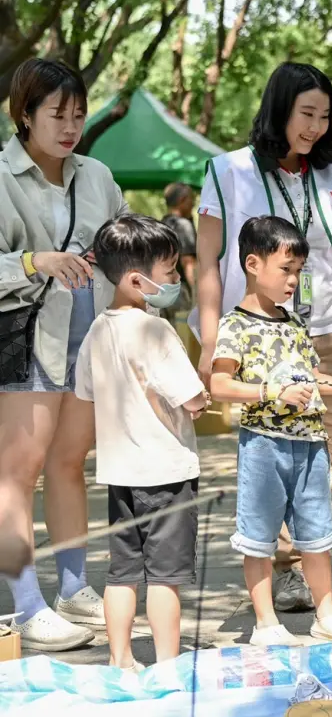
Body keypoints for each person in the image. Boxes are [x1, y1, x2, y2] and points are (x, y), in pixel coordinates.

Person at [193, 62, 332, 612]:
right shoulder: (228, 171)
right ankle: (287, 569)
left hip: (330, 322)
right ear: (278, 111)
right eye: (305, 114)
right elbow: (205, 257)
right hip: (265, 336)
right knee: (279, 449)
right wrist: (208, 338)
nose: (315, 127)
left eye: (324, 116)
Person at [210, 216, 332, 645]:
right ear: (253, 264)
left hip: (311, 445)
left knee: (317, 534)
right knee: (259, 537)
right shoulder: (234, 325)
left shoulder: (294, 324)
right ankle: (266, 623)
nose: (294, 280)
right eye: (285, 270)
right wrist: (270, 392)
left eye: (298, 271)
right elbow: (219, 385)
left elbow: (312, 380)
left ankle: (325, 614)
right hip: (263, 446)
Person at [0, 58, 129, 651]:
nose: (71, 124)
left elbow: (124, 243)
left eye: (78, 113)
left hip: (89, 339)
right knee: (16, 475)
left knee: (70, 463)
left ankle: (74, 589)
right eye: (57, 114)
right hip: (24, 338)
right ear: (24, 115)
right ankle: (26, 606)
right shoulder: (1, 175)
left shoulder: (97, 176)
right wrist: (34, 262)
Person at [76, 214, 209, 670]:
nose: (175, 280)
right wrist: (202, 396)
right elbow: (191, 399)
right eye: (170, 272)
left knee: (122, 573)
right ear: (137, 279)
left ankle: (120, 658)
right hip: (166, 472)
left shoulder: (98, 328)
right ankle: (169, 663)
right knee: (166, 578)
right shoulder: (156, 329)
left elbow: (86, 391)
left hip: (119, 474)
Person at [161, 182, 197, 321]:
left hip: (161, 290)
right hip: (180, 292)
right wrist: (196, 295)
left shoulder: (161, 224)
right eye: (191, 200)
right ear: (182, 200)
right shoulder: (183, 225)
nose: (193, 205)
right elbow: (188, 262)